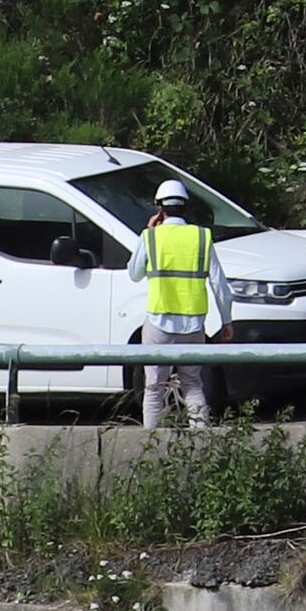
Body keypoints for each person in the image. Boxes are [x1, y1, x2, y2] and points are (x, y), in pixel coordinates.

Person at [137, 177, 222, 428]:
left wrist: (148, 233)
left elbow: (134, 273)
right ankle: (202, 443)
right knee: (193, 384)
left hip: (158, 323)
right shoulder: (202, 237)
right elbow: (220, 285)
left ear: (159, 209)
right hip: (193, 325)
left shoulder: (151, 237)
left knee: (154, 388)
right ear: (186, 207)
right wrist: (226, 320)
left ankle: (150, 448)